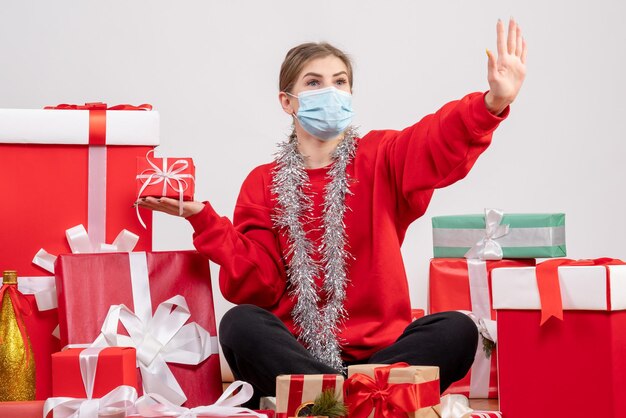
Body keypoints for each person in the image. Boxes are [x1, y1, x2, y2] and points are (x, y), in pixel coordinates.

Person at [138, 18, 527, 404]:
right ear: (287, 102)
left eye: (340, 82)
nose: (331, 91)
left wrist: (492, 102)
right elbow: (260, 284)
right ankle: (362, 400)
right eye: (314, 82)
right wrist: (201, 218)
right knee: (239, 324)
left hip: (381, 356)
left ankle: (328, 401)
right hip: (297, 354)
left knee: (457, 328)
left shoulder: (380, 157)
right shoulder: (263, 181)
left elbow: (433, 140)